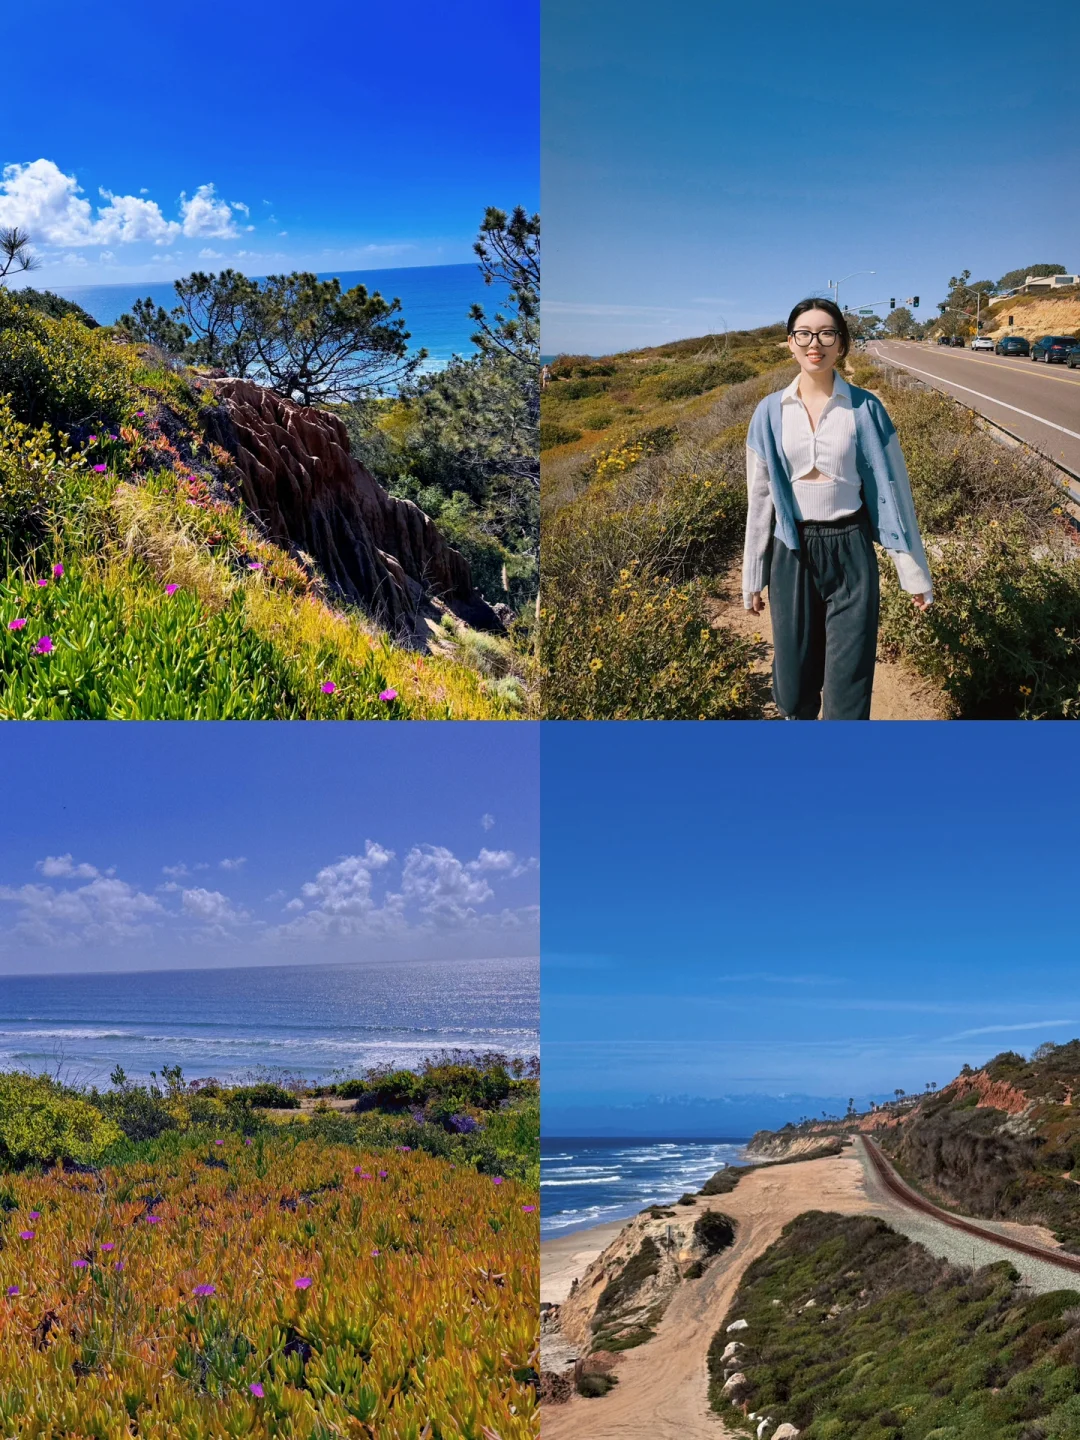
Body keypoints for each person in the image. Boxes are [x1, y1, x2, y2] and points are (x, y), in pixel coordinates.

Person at [742, 297, 932, 721]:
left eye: (827, 333)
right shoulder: (768, 412)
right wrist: (753, 576)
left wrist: (914, 571)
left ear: (842, 344)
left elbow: (895, 494)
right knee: (792, 689)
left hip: (851, 549)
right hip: (792, 554)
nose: (816, 343)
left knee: (849, 686)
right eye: (804, 334)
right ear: (789, 343)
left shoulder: (866, 408)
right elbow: (759, 501)